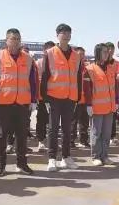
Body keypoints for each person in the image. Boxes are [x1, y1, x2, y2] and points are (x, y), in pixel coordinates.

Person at [0, 29, 37, 177]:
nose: (15, 41)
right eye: (12, 38)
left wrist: (33, 100)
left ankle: (21, 164)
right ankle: (0, 165)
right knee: (1, 136)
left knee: (22, 135)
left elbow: (33, 81)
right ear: (6, 41)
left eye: (17, 39)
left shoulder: (28, 59)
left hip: (22, 103)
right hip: (4, 103)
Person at [41, 24, 83, 171]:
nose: (66, 35)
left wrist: (78, 97)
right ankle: (52, 158)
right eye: (62, 32)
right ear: (57, 35)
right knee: (53, 129)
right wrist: (45, 98)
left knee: (67, 129)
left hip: (70, 98)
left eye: (68, 33)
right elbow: (44, 76)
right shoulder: (50, 53)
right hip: (54, 97)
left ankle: (66, 157)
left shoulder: (76, 56)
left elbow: (78, 77)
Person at [85, 43, 119, 166]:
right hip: (97, 107)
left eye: (108, 51)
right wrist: (88, 105)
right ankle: (96, 156)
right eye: (104, 51)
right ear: (98, 53)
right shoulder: (90, 69)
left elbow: (115, 87)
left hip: (109, 107)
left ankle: (105, 156)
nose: (107, 53)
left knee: (106, 134)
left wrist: (117, 102)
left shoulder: (111, 68)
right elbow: (87, 89)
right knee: (96, 133)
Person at [35, 41, 55, 151]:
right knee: (41, 119)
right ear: (44, 51)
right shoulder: (39, 63)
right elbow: (36, 81)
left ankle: (52, 142)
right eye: (49, 50)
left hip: (55, 96)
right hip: (42, 97)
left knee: (53, 121)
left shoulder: (57, 63)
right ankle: (41, 141)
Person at [71, 46, 91, 149]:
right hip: (75, 100)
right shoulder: (72, 67)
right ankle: (71, 141)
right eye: (80, 54)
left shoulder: (86, 69)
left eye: (83, 54)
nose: (82, 56)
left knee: (84, 122)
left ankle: (84, 140)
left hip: (85, 100)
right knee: (73, 122)